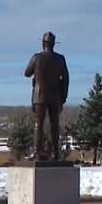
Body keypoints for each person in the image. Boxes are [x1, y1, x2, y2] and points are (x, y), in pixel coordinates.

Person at [24, 32, 69, 160]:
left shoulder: (37, 57)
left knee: (39, 124)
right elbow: (65, 78)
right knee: (55, 124)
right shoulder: (60, 59)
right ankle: (56, 153)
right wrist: (63, 96)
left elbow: (27, 73)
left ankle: (37, 152)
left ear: (43, 43)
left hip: (39, 95)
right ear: (53, 44)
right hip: (55, 96)